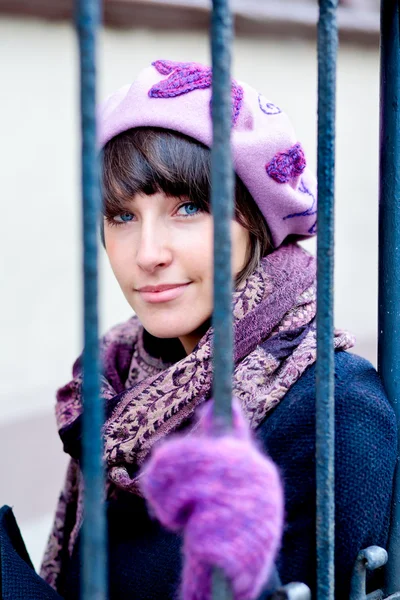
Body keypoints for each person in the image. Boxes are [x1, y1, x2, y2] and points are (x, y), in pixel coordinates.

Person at [38, 60, 396, 599]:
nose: (148, 254)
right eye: (121, 216)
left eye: (188, 208)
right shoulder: (117, 383)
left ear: (257, 218)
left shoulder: (335, 409)